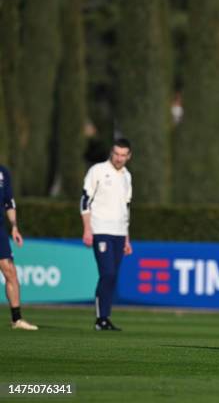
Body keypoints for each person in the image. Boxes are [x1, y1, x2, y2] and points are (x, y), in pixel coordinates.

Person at [81, 138, 133, 331]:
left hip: (119, 233)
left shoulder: (127, 176)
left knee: (113, 276)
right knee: (107, 273)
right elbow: (85, 201)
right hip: (100, 229)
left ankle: (105, 317)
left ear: (128, 156)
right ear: (112, 153)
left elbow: (126, 208)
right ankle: (100, 318)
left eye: (123, 155)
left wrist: (127, 237)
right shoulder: (98, 171)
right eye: (116, 154)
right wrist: (87, 229)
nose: (119, 158)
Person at [0, 166, 37, 330]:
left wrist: (14, 227)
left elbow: (9, 202)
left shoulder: (3, 172)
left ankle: (17, 319)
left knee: (10, 271)